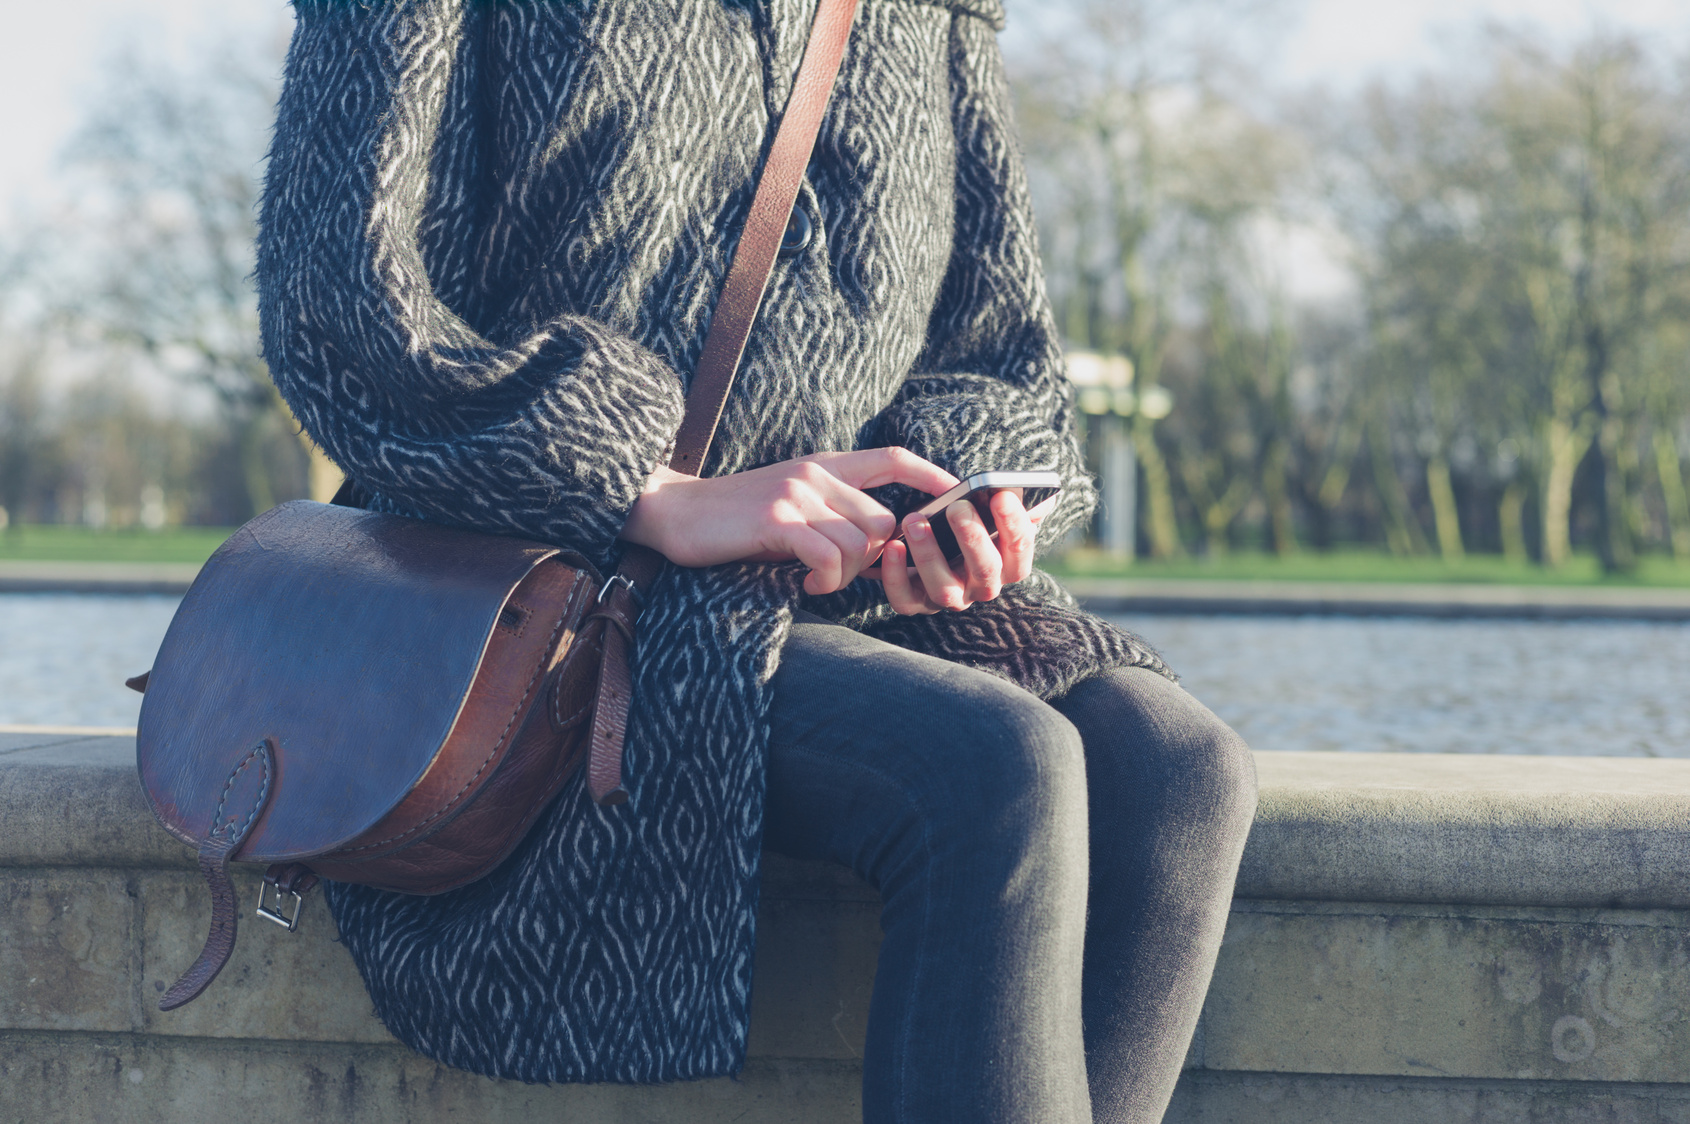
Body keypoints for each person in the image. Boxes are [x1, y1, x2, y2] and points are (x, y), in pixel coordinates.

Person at [257, 1, 1256, 1121]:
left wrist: (949, 508)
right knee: (995, 763)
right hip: (538, 579)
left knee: (1178, 770)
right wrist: (646, 488)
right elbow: (334, 304)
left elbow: (1002, 353)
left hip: (846, 578)